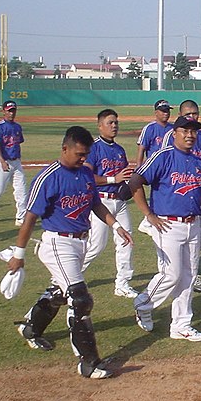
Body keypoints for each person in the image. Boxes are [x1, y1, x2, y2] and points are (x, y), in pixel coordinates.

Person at [8, 126, 134, 379]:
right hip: (57, 243)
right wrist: (18, 255)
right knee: (80, 299)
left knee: (59, 292)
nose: (83, 159)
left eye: (86, 154)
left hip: (79, 243)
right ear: (64, 148)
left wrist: (116, 225)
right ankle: (88, 362)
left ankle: (31, 328)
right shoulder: (48, 177)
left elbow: (96, 204)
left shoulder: (86, 174)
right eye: (78, 154)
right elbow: (30, 218)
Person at [129, 115, 201, 342]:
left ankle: (181, 325)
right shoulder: (162, 156)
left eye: (193, 131)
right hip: (167, 224)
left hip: (192, 224)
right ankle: (143, 304)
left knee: (188, 276)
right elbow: (135, 181)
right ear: (175, 134)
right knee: (170, 275)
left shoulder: (197, 162)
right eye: (185, 131)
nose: (190, 135)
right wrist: (148, 215)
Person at [159, 99, 201, 293]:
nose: (192, 117)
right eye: (188, 114)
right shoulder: (171, 137)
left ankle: (190, 268)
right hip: (177, 190)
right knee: (173, 273)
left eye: (195, 114)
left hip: (198, 184)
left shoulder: (200, 136)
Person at [81, 109, 137, 298]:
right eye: (110, 123)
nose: (114, 126)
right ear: (100, 126)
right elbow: (87, 176)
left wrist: (127, 184)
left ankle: (122, 283)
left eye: (116, 123)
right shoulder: (93, 148)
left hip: (119, 203)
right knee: (96, 246)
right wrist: (114, 179)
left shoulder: (119, 150)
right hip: (101, 202)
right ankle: (69, 276)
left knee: (126, 239)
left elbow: (124, 177)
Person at [135, 99, 173, 166]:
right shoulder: (149, 128)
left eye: (167, 111)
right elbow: (141, 149)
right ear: (156, 112)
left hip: (169, 166)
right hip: (153, 166)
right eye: (163, 111)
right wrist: (139, 168)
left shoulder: (173, 128)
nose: (166, 113)